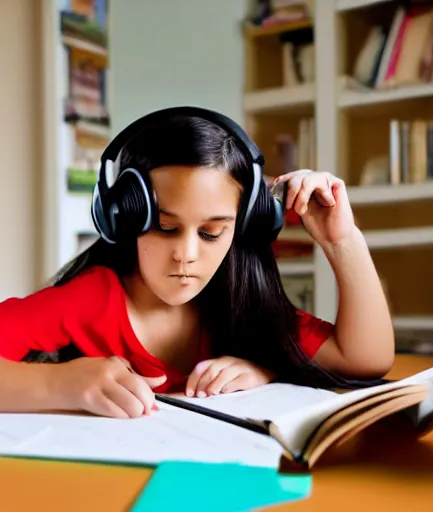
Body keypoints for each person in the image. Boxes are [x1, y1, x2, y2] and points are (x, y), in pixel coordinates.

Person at [0, 107, 394, 420]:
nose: (186, 254)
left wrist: (342, 240)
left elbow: (366, 359)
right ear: (122, 217)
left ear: (243, 226)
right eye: (165, 227)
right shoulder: (93, 299)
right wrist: (60, 383)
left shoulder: (240, 299)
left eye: (210, 233)